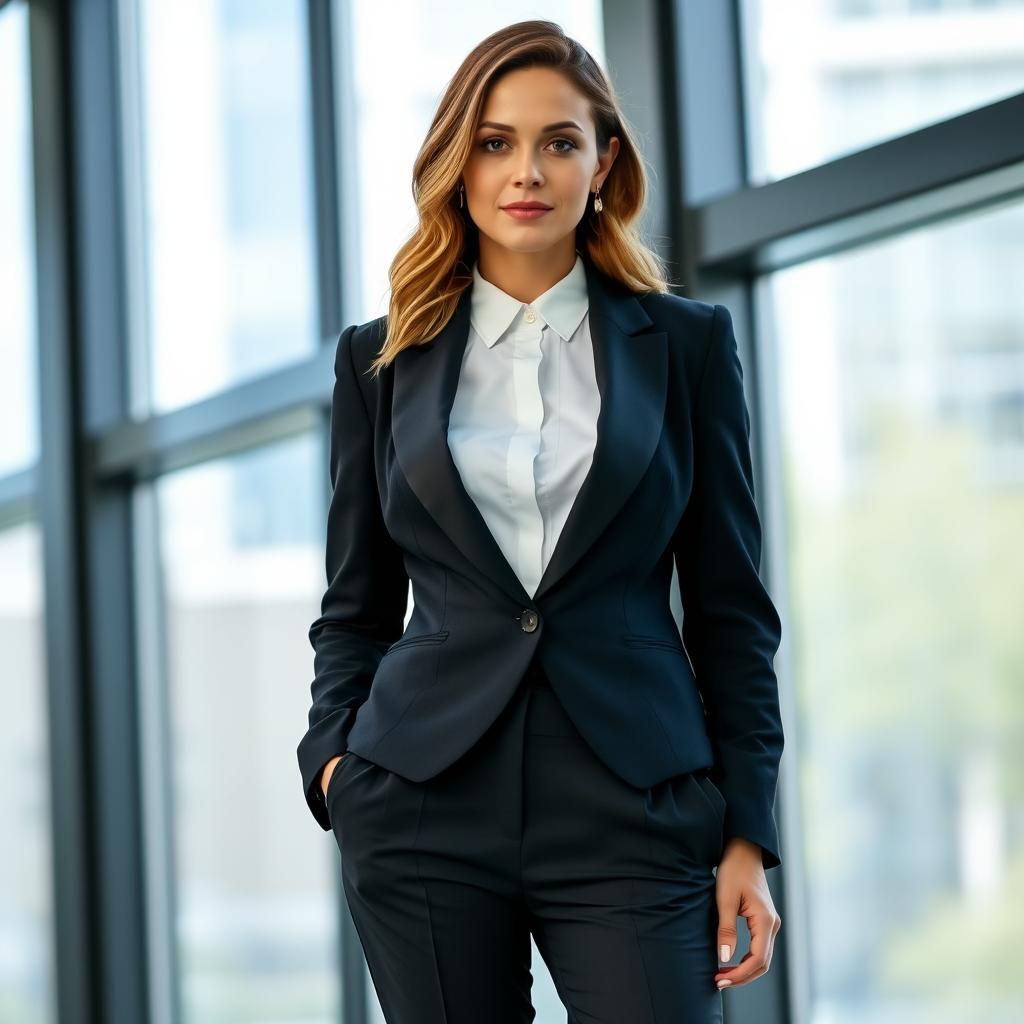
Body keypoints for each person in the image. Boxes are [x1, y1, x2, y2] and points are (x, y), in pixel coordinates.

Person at [296, 19, 784, 1024]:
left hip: (635, 802)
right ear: (457, 164)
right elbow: (355, 604)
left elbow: (732, 608)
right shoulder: (377, 361)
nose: (528, 170)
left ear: (603, 163)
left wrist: (746, 833)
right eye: (495, 141)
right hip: (421, 797)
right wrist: (335, 768)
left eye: (559, 141)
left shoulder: (685, 347)